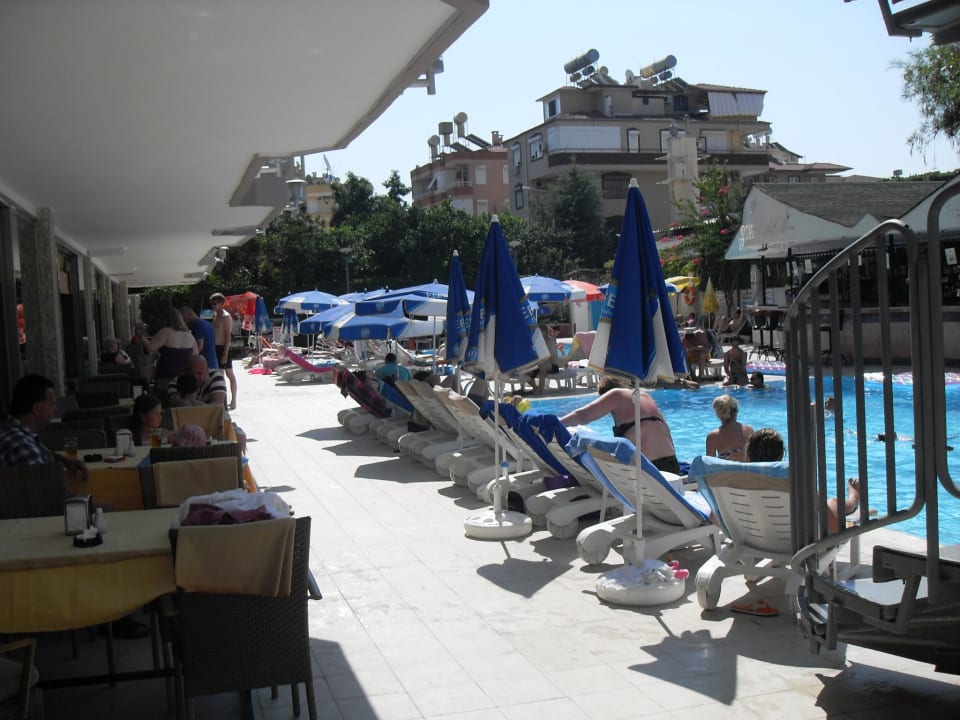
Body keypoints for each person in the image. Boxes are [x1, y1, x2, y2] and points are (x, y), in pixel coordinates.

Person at [560, 375, 681, 474]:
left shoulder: (615, 395)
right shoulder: (644, 396)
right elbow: (667, 431)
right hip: (672, 466)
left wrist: (557, 423)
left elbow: (582, 416)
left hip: (648, 472)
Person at [745, 427, 859, 533]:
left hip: (756, 538)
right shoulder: (793, 482)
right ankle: (854, 498)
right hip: (800, 541)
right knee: (833, 503)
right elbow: (834, 527)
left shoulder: (741, 482)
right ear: (780, 455)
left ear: (748, 454)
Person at [0, 374, 88, 481]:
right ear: (37, 409)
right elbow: (45, 486)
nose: (55, 409)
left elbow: (42, 454)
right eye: (52, 405)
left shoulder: (14, 431)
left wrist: (63, 461)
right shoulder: (20, 444)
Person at [140, 307, 198, 394]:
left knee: (164, 398)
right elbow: (195, 356)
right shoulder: (189, 335)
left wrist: (140, 336)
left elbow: (150, 348)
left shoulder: (166, 331)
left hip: (165, 377)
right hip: (184, 377)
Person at [705, 394, 754, 462]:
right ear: (736, 411)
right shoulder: (749, 430)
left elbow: (709, 464)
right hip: (746, 468)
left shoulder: (713, 436)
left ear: (718, 414)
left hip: (725, 469)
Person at [210, 292, 238, 410]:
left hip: (223, 347)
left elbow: (228, 336)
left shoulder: (226, 317)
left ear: (221, 303)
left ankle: (233, 400)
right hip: (216, 348)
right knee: (219, 374)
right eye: (211, 303)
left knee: (229, 373)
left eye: (214, 303)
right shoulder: (216, 315)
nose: (212, 305)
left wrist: (225, 353)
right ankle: (223, 400)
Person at [180, 305, 218, 371]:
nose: (185, 322)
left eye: (185, 319)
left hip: (204, 365)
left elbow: (199, 347)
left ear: (190, 314)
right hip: (213, 363)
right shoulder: (207, 323)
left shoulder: (197, 324)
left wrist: (187, 359)